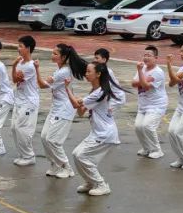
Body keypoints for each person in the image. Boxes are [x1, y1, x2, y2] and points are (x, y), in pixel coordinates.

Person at [68, 61, 125, 196]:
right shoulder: (94, 91)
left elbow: (77, 105)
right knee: (77, 154)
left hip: (105, 134)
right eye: (86, 71)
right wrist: (79, 103)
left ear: (98, 74)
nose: (86, 74)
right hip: (97, 132)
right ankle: (90, 181)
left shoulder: (100, 92)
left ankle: (101, 184)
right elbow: (81, 112)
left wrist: (66, 88)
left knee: (81, 156)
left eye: (89, 72)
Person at [38, 43, 88, 178]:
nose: (52, 55)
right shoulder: (60, 70)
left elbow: (42, 85)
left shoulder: (64, 72)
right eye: (52, 52)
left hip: (64, 110)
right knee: (44, 137)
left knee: (53, 140)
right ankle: (55, 165)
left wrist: (36, 69)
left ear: (64, 57)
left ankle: (66, 167)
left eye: (55, 53)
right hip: (56, 108)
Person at [8, 36, 41, 167]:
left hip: (29, 102)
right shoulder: (21, 63)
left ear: (28, 48)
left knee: (23, 129)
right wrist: (16, 65)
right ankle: (23, 154)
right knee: (14, 128)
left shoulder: (30, 66)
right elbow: (15, 78)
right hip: (20, 100)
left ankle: (29, 156)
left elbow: (16, 80)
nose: (18, 48)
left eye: (21, 46)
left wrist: (14, 65)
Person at [132, 45, 168, 159]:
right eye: (145, 55)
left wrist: (140, 76)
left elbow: (146, 85)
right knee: (138, 127)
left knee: (148, 126)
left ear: (156, 58)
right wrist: (141, 78)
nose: (146, 57)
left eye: (149, 55)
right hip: (143, 104)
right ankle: (146, 148)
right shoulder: (142, 69)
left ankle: (157, 150)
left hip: (157, 105)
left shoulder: (158, 72)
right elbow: (133, 83)